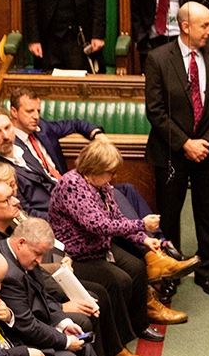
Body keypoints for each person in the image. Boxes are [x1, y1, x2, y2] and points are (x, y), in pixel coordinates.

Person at [47, 135, 187, 332]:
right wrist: (142, 223)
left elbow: (117, 217)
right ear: (94, 169)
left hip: (98, 246)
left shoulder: (100, 184)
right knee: (120, 280)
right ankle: (121, 336)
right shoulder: (72, 185)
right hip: (77, 255)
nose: (112, 177)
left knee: (138, 267)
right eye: (109, 172)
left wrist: (144, 239)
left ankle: (140, 325)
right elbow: (99, 225)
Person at [144, 1, 209, 299]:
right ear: (185, 26)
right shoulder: (158, 59)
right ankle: (172, 269)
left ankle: (205, 269)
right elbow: (155, 112)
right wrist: (185, 144)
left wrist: (206, 142)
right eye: (205, 25)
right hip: (171, 152)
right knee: (169, 216)